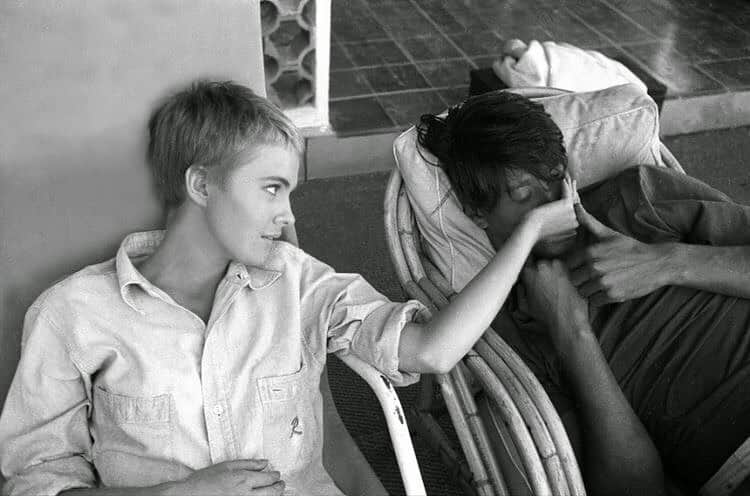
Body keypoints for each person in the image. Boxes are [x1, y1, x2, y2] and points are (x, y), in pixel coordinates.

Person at [0, 80, 579, 496]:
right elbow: (35, 481)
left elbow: (432, 349)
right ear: (202, 184)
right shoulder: (72, 315)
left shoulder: (299, 285)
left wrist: (525, 233)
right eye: (272, 188)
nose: (288, 215)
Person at [417, 90, 750, 496]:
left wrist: (665, 262)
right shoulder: (511, 328)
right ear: (476, 214)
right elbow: (633, 489)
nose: (554, 201)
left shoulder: (635, 197)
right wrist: (572, 332)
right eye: (523, 196)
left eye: (557, 177)